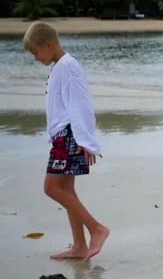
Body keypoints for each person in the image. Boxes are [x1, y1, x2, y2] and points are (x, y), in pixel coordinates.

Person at [23, 22, 109, 261]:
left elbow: (81, 103)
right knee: (66, 190)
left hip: (69, 136)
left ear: (48, 44)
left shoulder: (68, 66)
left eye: (35, 52)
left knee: (51, 188)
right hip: (63, 136)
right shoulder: (60, 66)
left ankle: (97, 229)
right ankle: (80, 246)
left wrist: (86, 141)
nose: (35, 58)